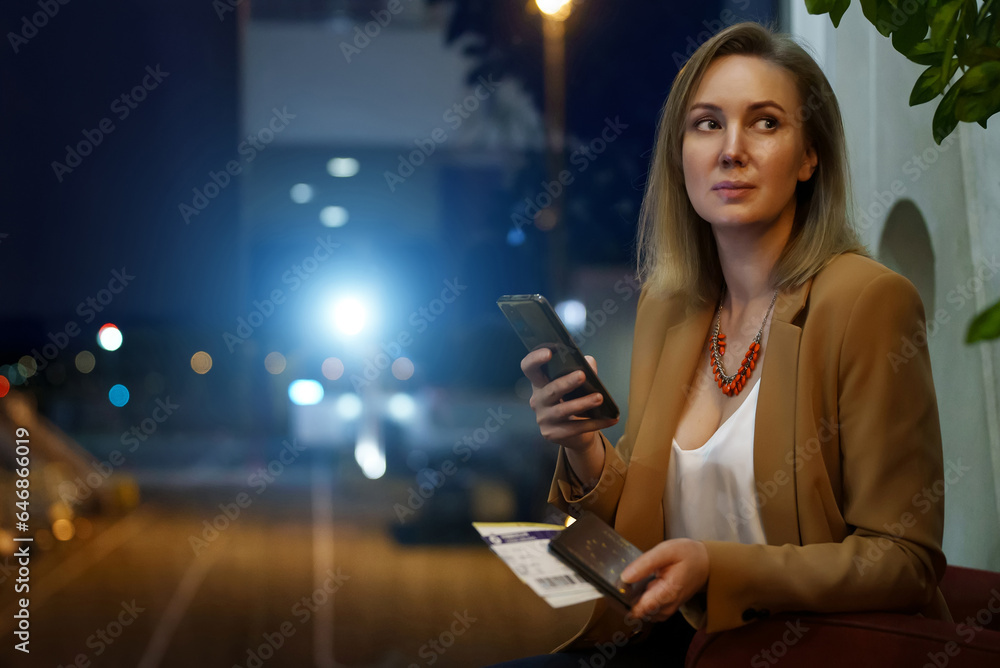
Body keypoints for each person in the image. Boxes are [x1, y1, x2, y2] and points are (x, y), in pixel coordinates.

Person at [493, 20, 950, 667]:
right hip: (668, 641)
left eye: (765, 122)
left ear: (809, 155)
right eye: (707, 123)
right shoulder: (667, 305)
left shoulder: (867, 302)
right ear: (680, 155)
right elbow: (648, 514)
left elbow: (904, 563)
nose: (731, 149)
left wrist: (718, 568)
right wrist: (584, 446)